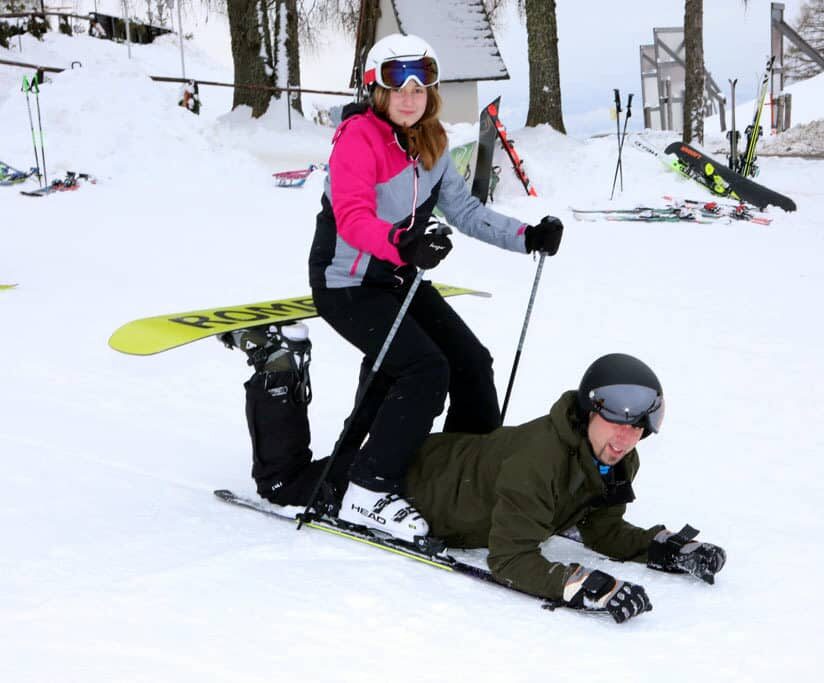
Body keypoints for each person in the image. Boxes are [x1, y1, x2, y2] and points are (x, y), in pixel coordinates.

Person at [226, 33, 564, 544]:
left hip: (398, 276)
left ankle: (471, 475)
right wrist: (401, 244)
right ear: (376, 90)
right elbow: (353, 218)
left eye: (421, 83)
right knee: (423, 368)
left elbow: (465, 211)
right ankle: (368, 488)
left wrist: (527, 236)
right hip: (347, 282)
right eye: (396, 83)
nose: (410, 94)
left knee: (472, 362)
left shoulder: (433, 143)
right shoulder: (357, 139)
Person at [223, 347, 727, 623]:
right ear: (587, 411)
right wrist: (580, 586)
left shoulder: (616, 460)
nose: (626, 439)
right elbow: (509, 559)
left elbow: (600, 528)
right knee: (284, 482)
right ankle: (277, 366)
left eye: (639, 428)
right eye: (618, 424)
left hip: (450, 464)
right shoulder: (539, 461)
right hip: (407, 481)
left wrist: (662, 550)